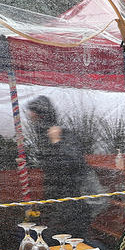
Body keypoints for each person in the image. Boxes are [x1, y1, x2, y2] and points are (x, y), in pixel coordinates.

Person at [26, 95, 94, 237]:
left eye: (34, 116)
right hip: (55, 198)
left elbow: (72, 164)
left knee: (71, 238)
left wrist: (56, 142)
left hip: (70, 200)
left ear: (41, 115)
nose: (32, 120)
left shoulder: (62, 135)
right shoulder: (43, 137)